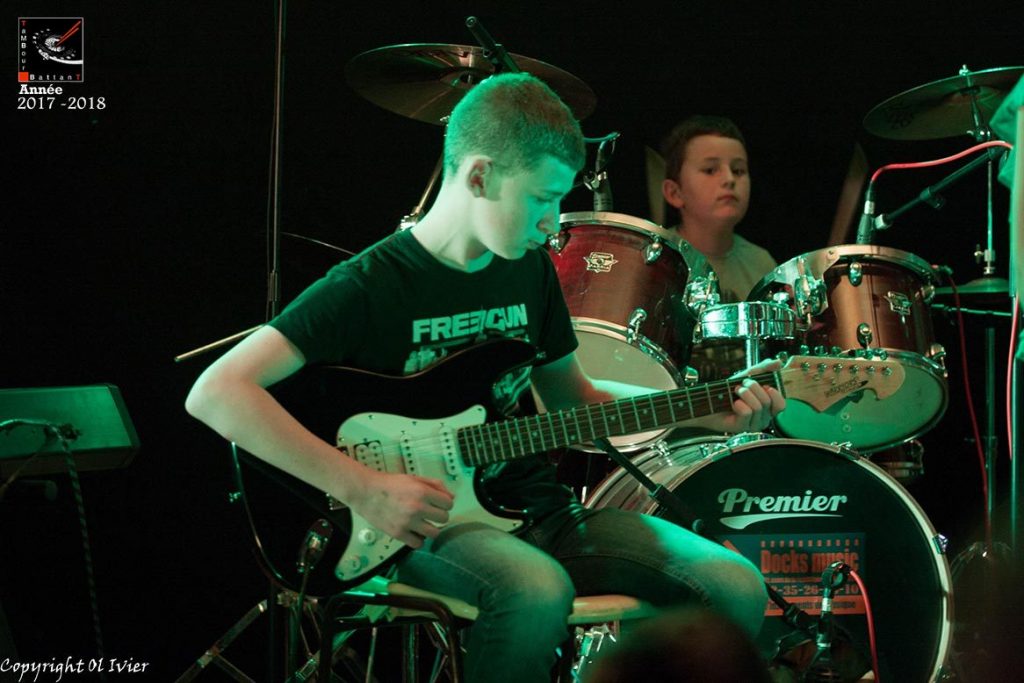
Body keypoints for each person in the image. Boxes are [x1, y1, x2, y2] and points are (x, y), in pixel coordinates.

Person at [186, 74, 784, 683]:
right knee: (534, 590)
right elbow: (216, 392)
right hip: (423, 525)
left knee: (734, 583)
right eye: (542, 198)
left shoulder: (530, 272)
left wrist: (702, 408)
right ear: (479, 177)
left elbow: (576, 401)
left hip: (540, 513)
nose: (553, 223)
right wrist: (363, 488)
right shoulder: (370, 284)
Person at [661, 115, 779, 379]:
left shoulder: (763, 263)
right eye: (710, 170)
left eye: (738, 170)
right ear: (674, 193)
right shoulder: (658, 262)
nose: (729, 179)